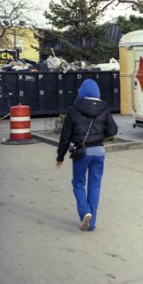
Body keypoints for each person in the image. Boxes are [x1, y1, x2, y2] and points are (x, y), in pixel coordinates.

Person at [56, 79, 118, 231]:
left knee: (78, 184)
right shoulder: (104, 108)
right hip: (99, 152)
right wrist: (99, 135)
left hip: (82, 152)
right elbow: (113, 130)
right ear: (97, 93)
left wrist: (60, 156)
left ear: (81, 93)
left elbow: (65, 136)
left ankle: (85, 212)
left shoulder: (74, 109)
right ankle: (92, 224)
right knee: (94, 186)